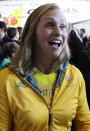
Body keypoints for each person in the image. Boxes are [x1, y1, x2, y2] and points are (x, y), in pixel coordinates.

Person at [0, 3, 90, 131]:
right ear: (32, 33)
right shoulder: (7, 79)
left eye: (63, 26)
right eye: (50, 24)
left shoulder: (75, 76)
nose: (58, 32)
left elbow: (85, 124)